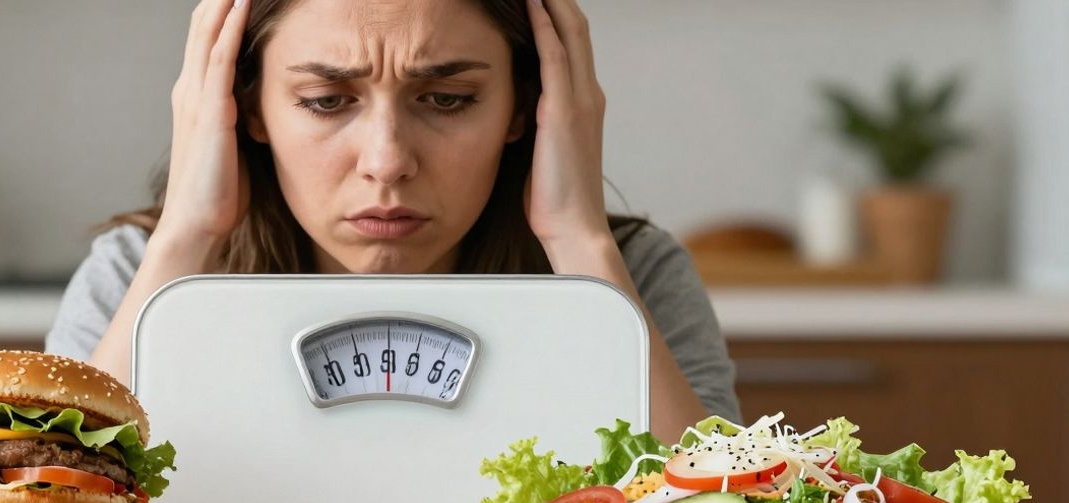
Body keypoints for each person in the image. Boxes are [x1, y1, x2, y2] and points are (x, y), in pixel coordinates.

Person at [47, 0, 740, 443]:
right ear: (246, 107)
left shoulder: (633, 273)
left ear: (528, 108)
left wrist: (579, 244)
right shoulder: (134, 272)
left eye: (446, 98)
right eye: (324, 101)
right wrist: (185, 234)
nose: (387, 161)